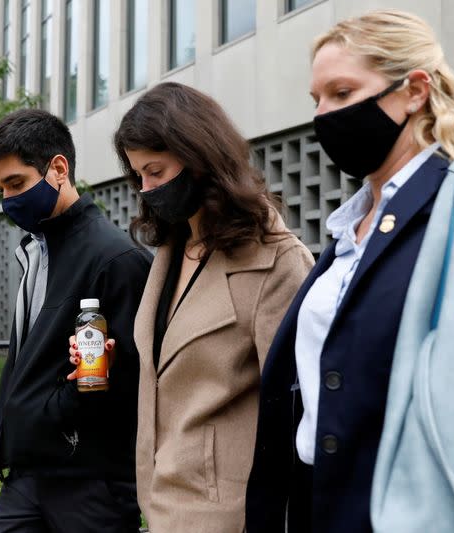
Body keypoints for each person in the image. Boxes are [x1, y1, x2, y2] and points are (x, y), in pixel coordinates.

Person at [246, 9, 454, 533]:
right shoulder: (347, 230)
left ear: (415, 90)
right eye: (315, 100)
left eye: (341, 93)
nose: (323, 116)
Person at [68, 82, 314, 532]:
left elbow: (298, 409)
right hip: (161, 500)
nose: (146, 189)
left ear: (200, 158)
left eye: (156, 172)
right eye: (139, 175)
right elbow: (180, 369)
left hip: (231, 514)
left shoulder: (279, 261)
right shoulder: (171, 251)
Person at [0, 109, 152, 533]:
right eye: (0, 188)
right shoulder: (36, 251)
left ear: (58, 168)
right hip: (27, 476)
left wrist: (59, 413)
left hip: (90, 486)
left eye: (16, 183)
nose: (8, 200)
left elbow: (129, 378)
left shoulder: (117, 260)